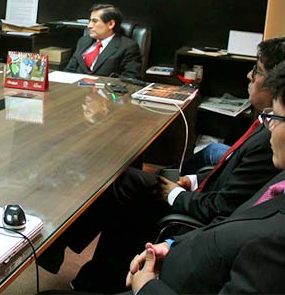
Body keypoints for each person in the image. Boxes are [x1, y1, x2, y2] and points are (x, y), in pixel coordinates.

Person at [44, 37, 285, 292]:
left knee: (127, 191)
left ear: (276, 83)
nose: (249, 75)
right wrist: (193, 180)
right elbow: (234, 182)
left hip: (199, 225)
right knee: (122, 180)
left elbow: (222, 209)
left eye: (257, 70)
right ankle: (82, 265)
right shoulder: (267, 128)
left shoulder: (268, 144)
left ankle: (79, 265)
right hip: (202, 205)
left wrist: (175, 195)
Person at [126, 61, 285, 294]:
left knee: (128, 188)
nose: (270, 126)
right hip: (180, 254)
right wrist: (171, 245)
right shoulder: (279, 179)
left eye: (277, 118)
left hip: (172, 282)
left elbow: (223, 210)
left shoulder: (277, 241)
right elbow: (234, 218)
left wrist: (146, 288)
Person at [64, 4, 142, 79]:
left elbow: (130, 79)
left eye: (95, 21)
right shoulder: (83, 41)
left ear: (111, 24)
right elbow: (69, 71)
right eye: (90, 21)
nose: (89, 26)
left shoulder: (128, 47)